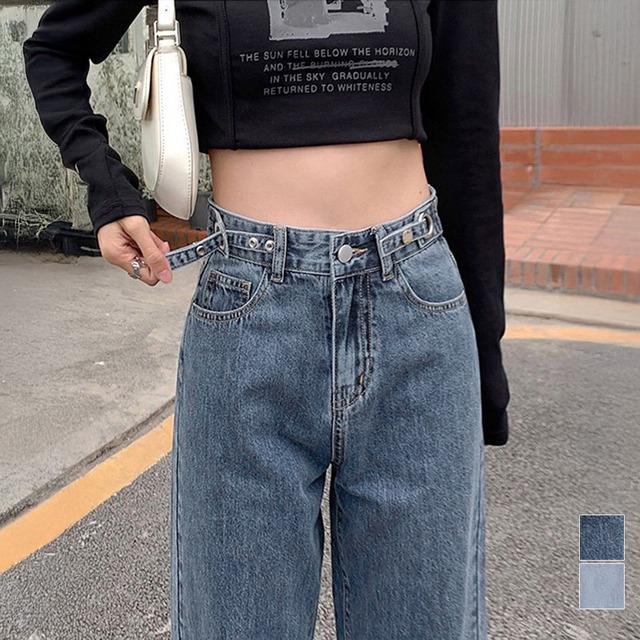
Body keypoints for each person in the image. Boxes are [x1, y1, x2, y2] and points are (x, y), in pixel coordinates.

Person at [22, 1, 510, 637]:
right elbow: (53, 50)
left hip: (415, 302)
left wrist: (486, 359)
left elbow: (468, 128)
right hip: (252, 313)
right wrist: (109, 189)